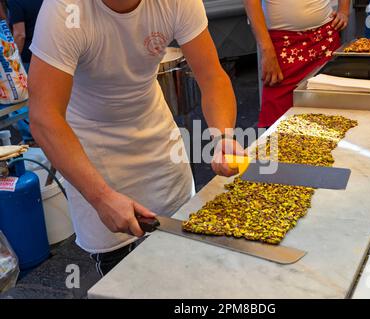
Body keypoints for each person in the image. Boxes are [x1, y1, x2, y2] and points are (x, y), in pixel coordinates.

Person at [28, 0, 243, 276]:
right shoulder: (64, 10)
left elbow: (212, 76)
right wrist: (101, 196)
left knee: (187, 261)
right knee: (125, 277)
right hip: (93, 151)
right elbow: (44, 116)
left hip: (156, 137)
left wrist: (223, 136)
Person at [244, 0, 351, 128]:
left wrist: (344, 10)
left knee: (330, 112)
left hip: (325, 38)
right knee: (276, 120)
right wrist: (266, 49)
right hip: (282, 44)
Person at [6, 0, 43, 143]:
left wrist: (14, 61)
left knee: (19, 101)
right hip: (43, 56)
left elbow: (20, 34)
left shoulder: (15, 2)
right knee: (40, 99)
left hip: (27, 58)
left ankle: (31, 136)